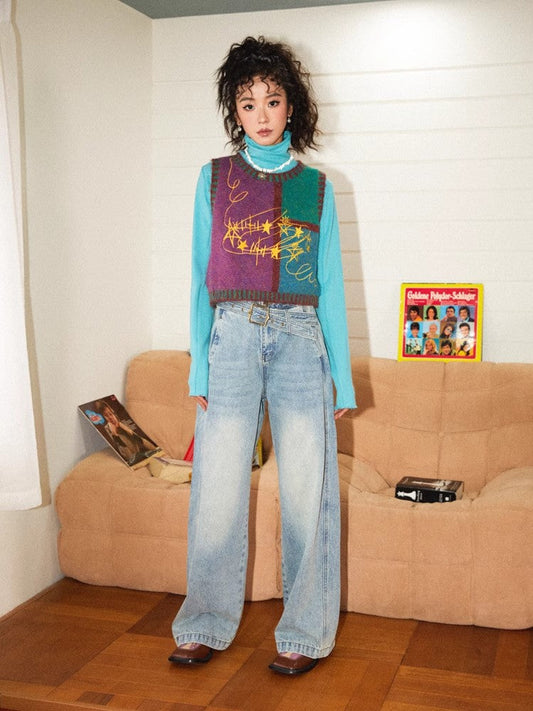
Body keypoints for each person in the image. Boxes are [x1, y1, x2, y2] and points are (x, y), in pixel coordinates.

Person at [168, 36, 356, 677]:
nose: (262, 114)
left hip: (302, 340)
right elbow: (200, 277)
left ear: (291, 106)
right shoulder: (213, 180)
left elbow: (331, 287)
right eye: (248, 104)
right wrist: (198, 365)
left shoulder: (318, 189)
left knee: (308, 493)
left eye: (273, 101)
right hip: (231, 339)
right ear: (236, 112)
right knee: (216, 489)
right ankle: (203, 622)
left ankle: (304, 632)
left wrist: (342, 381)